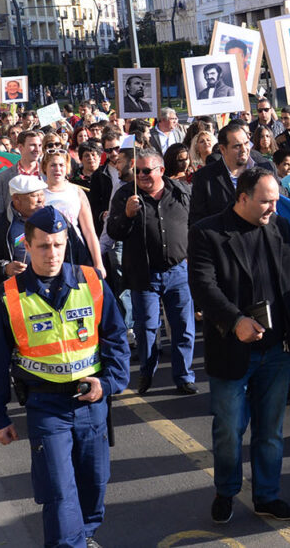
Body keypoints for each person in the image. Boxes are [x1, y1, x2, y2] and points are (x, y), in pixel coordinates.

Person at [0, 206, 130, 548]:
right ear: (27, 247)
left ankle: (85, 535)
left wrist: (108, 384)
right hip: (46, 406)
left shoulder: (92, 283)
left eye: (59, 245)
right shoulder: (9, 296)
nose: (53, 254)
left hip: (91, 403)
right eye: (44, 246)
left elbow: (117, 339)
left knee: (94, 485)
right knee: (59, 491)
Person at [189, 168, 290, 524]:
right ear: (242, 197)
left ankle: (267, 496)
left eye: (276, 200)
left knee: (270, 431)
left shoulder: (280, 227)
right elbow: (204, 287)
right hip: (233, 350)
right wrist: (235, 321)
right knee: (229, 428)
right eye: (266, 201)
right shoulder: (207, 232)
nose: (273, 208)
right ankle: (226, 490)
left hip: (276, 352)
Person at [106, 148, 197, 396]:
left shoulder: (181, 192)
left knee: (183, 328)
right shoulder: (126, 195)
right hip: (144, 274)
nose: (142, 176)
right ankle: (147, 372)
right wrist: (126, 214)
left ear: (161, 171)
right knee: (146, 329)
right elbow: (114, 231)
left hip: (178, 271)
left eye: (147, 171)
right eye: (137, 171)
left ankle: (184, 376)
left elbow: (195, 225)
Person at [0, 175, 93, 290]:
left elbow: (78, 252)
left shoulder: (57, 220)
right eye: (34, 195)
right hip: (19, 294)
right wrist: (5, 269)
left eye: (42, 194)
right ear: (16, 199)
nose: (41, 199)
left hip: (60, 287)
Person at [192, 123, 276, 224]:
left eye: (246, 143)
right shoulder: (204, 177)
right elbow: (197, 220)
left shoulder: (266, 167)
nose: (244, 150)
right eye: (237, 146)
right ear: (223, 149)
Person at [43, 151, 105, 278]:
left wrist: (98, 263)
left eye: (61, 165)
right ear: (45, 168)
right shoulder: (39, 194)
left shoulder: (76, 191)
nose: (57, 169)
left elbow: (89, 231)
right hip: (50, 252)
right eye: (53, 165)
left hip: (77, 251)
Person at [0, 130, 44, 224]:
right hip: (16, 233)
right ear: (20, 147)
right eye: (32, 145)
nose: (37, 149)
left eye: (39, 145)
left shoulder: (47, 173)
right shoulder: (3, 177)